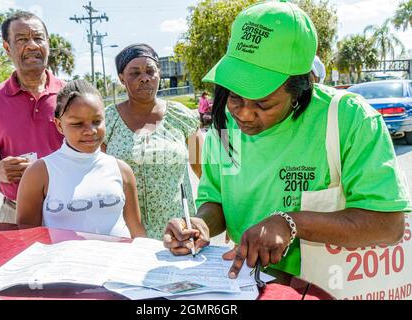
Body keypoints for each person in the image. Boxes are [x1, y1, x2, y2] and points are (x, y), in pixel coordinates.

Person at [163, 1, 410, 280]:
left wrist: (291, 223)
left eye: (263, 103)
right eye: (234, 96)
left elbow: (388, 224)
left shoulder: (349, 119)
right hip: (247, 287)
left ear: (300, 89)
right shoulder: (224, 124)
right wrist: (199, 224)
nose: (243, 114)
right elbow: (216, 201)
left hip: (327, 288)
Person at [16, 80, 146, 238]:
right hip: (65, 263)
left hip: (118, 262)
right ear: (59, 125)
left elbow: (137, 232)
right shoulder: (40, 173)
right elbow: (27, 238)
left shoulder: (121, 170)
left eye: (97, 121)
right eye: (77, 124)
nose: (90, 131)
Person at [0, 12, 64, 223]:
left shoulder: (71, 95)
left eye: (38, 38)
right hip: (14, 213)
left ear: (48, 44)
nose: (31, 45)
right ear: (7, 48)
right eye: (21, 39)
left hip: (71, 211)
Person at [102, 43, 203, 239]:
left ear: (159, 74)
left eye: (150, 71)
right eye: (135, 73)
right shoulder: (108, 120)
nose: (145, 78)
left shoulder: (180, 116)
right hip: (123, 232)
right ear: (122, 78)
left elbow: (204, 171)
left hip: (178, 232)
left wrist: (220, 213)